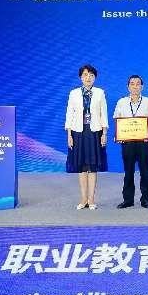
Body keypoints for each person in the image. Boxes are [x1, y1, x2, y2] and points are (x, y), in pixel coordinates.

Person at [65, 64, 108, 210]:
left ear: (95, 77)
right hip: (78, 132)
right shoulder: (74, 93)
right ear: (80, 77)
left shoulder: (100, 93)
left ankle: (92, 200)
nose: (88, 77)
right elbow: (69, 114)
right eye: (85, 75)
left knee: (92, 166)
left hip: (94, 132)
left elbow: (103, 114)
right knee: (81, 166)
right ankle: (83, 199)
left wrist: (104, 133)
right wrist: (69, 135)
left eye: (91, 75)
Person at [113, 75, 148, 209]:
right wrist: (120, 134)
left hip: (144, 141)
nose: (135, 86)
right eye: (132, 84)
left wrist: (145, 130)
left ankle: (145, 199)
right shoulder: (121, 102)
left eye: (138, 84)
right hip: (128, 142)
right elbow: (117, 121)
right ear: (128, 87)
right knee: (128, 171)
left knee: (145, 171)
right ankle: (128, 200)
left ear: (142, 87)